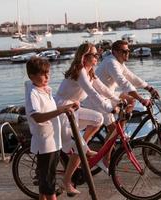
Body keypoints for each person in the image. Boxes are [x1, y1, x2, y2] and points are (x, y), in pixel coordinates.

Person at [55, 42, 120, 196]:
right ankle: (66, 181)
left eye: (98, 54)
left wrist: (117, 100)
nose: (98, 57)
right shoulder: (80, 71)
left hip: (74, 109)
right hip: (63, 111)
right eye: (95, 55)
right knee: (80, 149)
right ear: (85, 57)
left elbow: (102, 89)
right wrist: (109, 107)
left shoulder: (90, 72)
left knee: (98, 119)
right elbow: (91, 93)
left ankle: (81, 146)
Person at [24, 57, 78, 200]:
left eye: (48, 73)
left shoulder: (45, 90)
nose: (47, 76)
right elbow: (37, 117)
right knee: (49, 183)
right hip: (45, 143)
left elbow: (51, 111)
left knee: (46, 181)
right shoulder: (33, 93)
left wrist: (67, 107)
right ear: (32, 76)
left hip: (54, 141)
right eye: (43, 74)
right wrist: (61, 110)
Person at [96, 40, 159, 133]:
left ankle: (121, 130)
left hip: (109, 93)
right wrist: (140, 99)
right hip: (99, 98)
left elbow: (131, 77)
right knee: (114, 132)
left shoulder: (119, 62)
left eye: (128, 51)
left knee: (131, 100)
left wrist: (150, 88)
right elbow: (123, 82)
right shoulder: (111, 62)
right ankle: (118, 134)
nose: (127, 53)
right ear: (116, 52)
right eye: (125, 51)